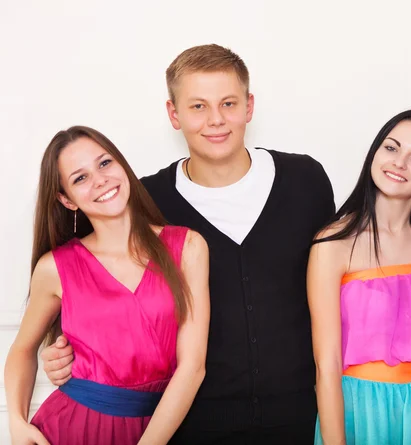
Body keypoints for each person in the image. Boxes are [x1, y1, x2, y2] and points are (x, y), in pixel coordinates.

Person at [40, 45, 335, 444]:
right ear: (174, 115)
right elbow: (95, 283)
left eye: (228, 103)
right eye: (197, 106)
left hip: (302, 416)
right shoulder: (145, 202)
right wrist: (59, 349)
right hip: (192, 424)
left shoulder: (306, 181)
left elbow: (342, 283)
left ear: (249, 106)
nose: (216, 120)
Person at [4, 126, 210, 445]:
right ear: (66, 200)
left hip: (160, 427)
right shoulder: (55, 268)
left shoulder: (189, 247)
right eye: (80, 178)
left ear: (122, 165)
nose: (100, 180)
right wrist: (17, 423)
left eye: (104, 163)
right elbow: (22, 349)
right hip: (72, 428)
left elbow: (193, 367)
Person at [309, 110, 411, 445]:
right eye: (391, 148)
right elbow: (327, 364)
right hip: (358, 411)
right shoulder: (331, 243)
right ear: (375, 154)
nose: (399, 162)